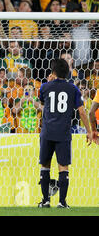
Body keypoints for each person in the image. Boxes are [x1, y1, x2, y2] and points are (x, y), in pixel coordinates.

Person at [37, 58, 96, 209]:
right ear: (68, 72)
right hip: (63, 132)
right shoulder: (73, 89)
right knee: (63, 167)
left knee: (45, 166)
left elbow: (42, 104)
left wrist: (49, 81)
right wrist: (89, 131)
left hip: (47, 131)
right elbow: (82, 112)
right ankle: (62, 202)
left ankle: (45, 201)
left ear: (53, 71)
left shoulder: (44, 87)